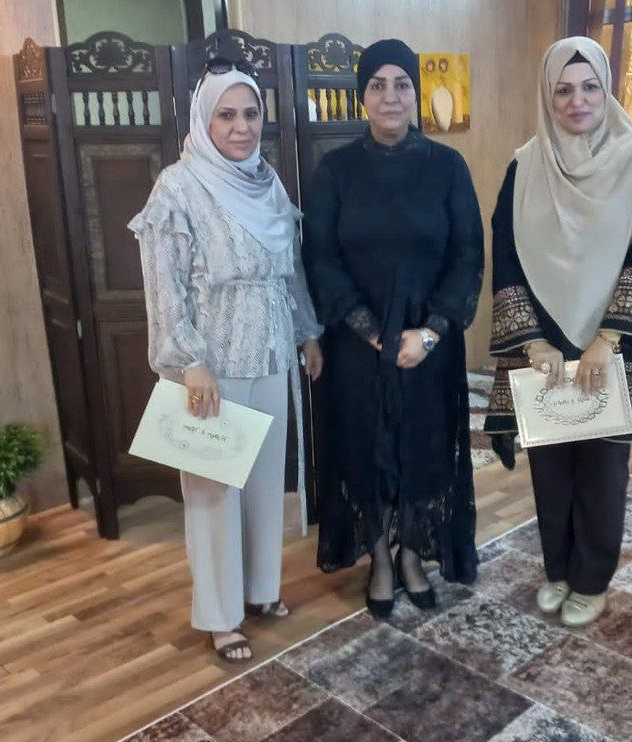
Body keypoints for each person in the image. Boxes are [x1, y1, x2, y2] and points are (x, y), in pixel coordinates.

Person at [483, 36, 632, 629]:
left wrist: (607, 340)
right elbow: (507, 254)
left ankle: (591, 578)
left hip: (611, 340)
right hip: (543, 339)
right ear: (548, 97)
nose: (578, 101)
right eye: (563, 90)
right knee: (550, 465)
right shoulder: (525, 165)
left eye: (590, 87)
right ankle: (557, 570)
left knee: (601, 468)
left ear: (607, 90)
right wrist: (533, 341)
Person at [129, 60, 323, 662]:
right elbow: (164, 287)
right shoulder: (178, 187)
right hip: (212, 363)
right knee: (213, 490)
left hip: (270, 352)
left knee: (264, 483)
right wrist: (189, 361)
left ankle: (261, 589)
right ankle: (219, 615)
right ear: (203, 120)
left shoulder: (267, 182)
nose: (242, 127)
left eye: (251, 114)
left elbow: (290, 269)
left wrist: (307, 334)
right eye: (227, 115)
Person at [303, 38, 484, 619]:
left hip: (428, 348)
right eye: (378, 85)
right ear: (362, 96)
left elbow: (467, 255)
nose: (390, 96)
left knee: (422, 449)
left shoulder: (447, 167)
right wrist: (374, 333)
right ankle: (380, 558)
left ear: (416, 93)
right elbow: (321, 259)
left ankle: (411, 555)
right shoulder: (335, 171)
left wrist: (428, 333)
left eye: (401, 84)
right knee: (365, 452)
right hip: (357, 348)